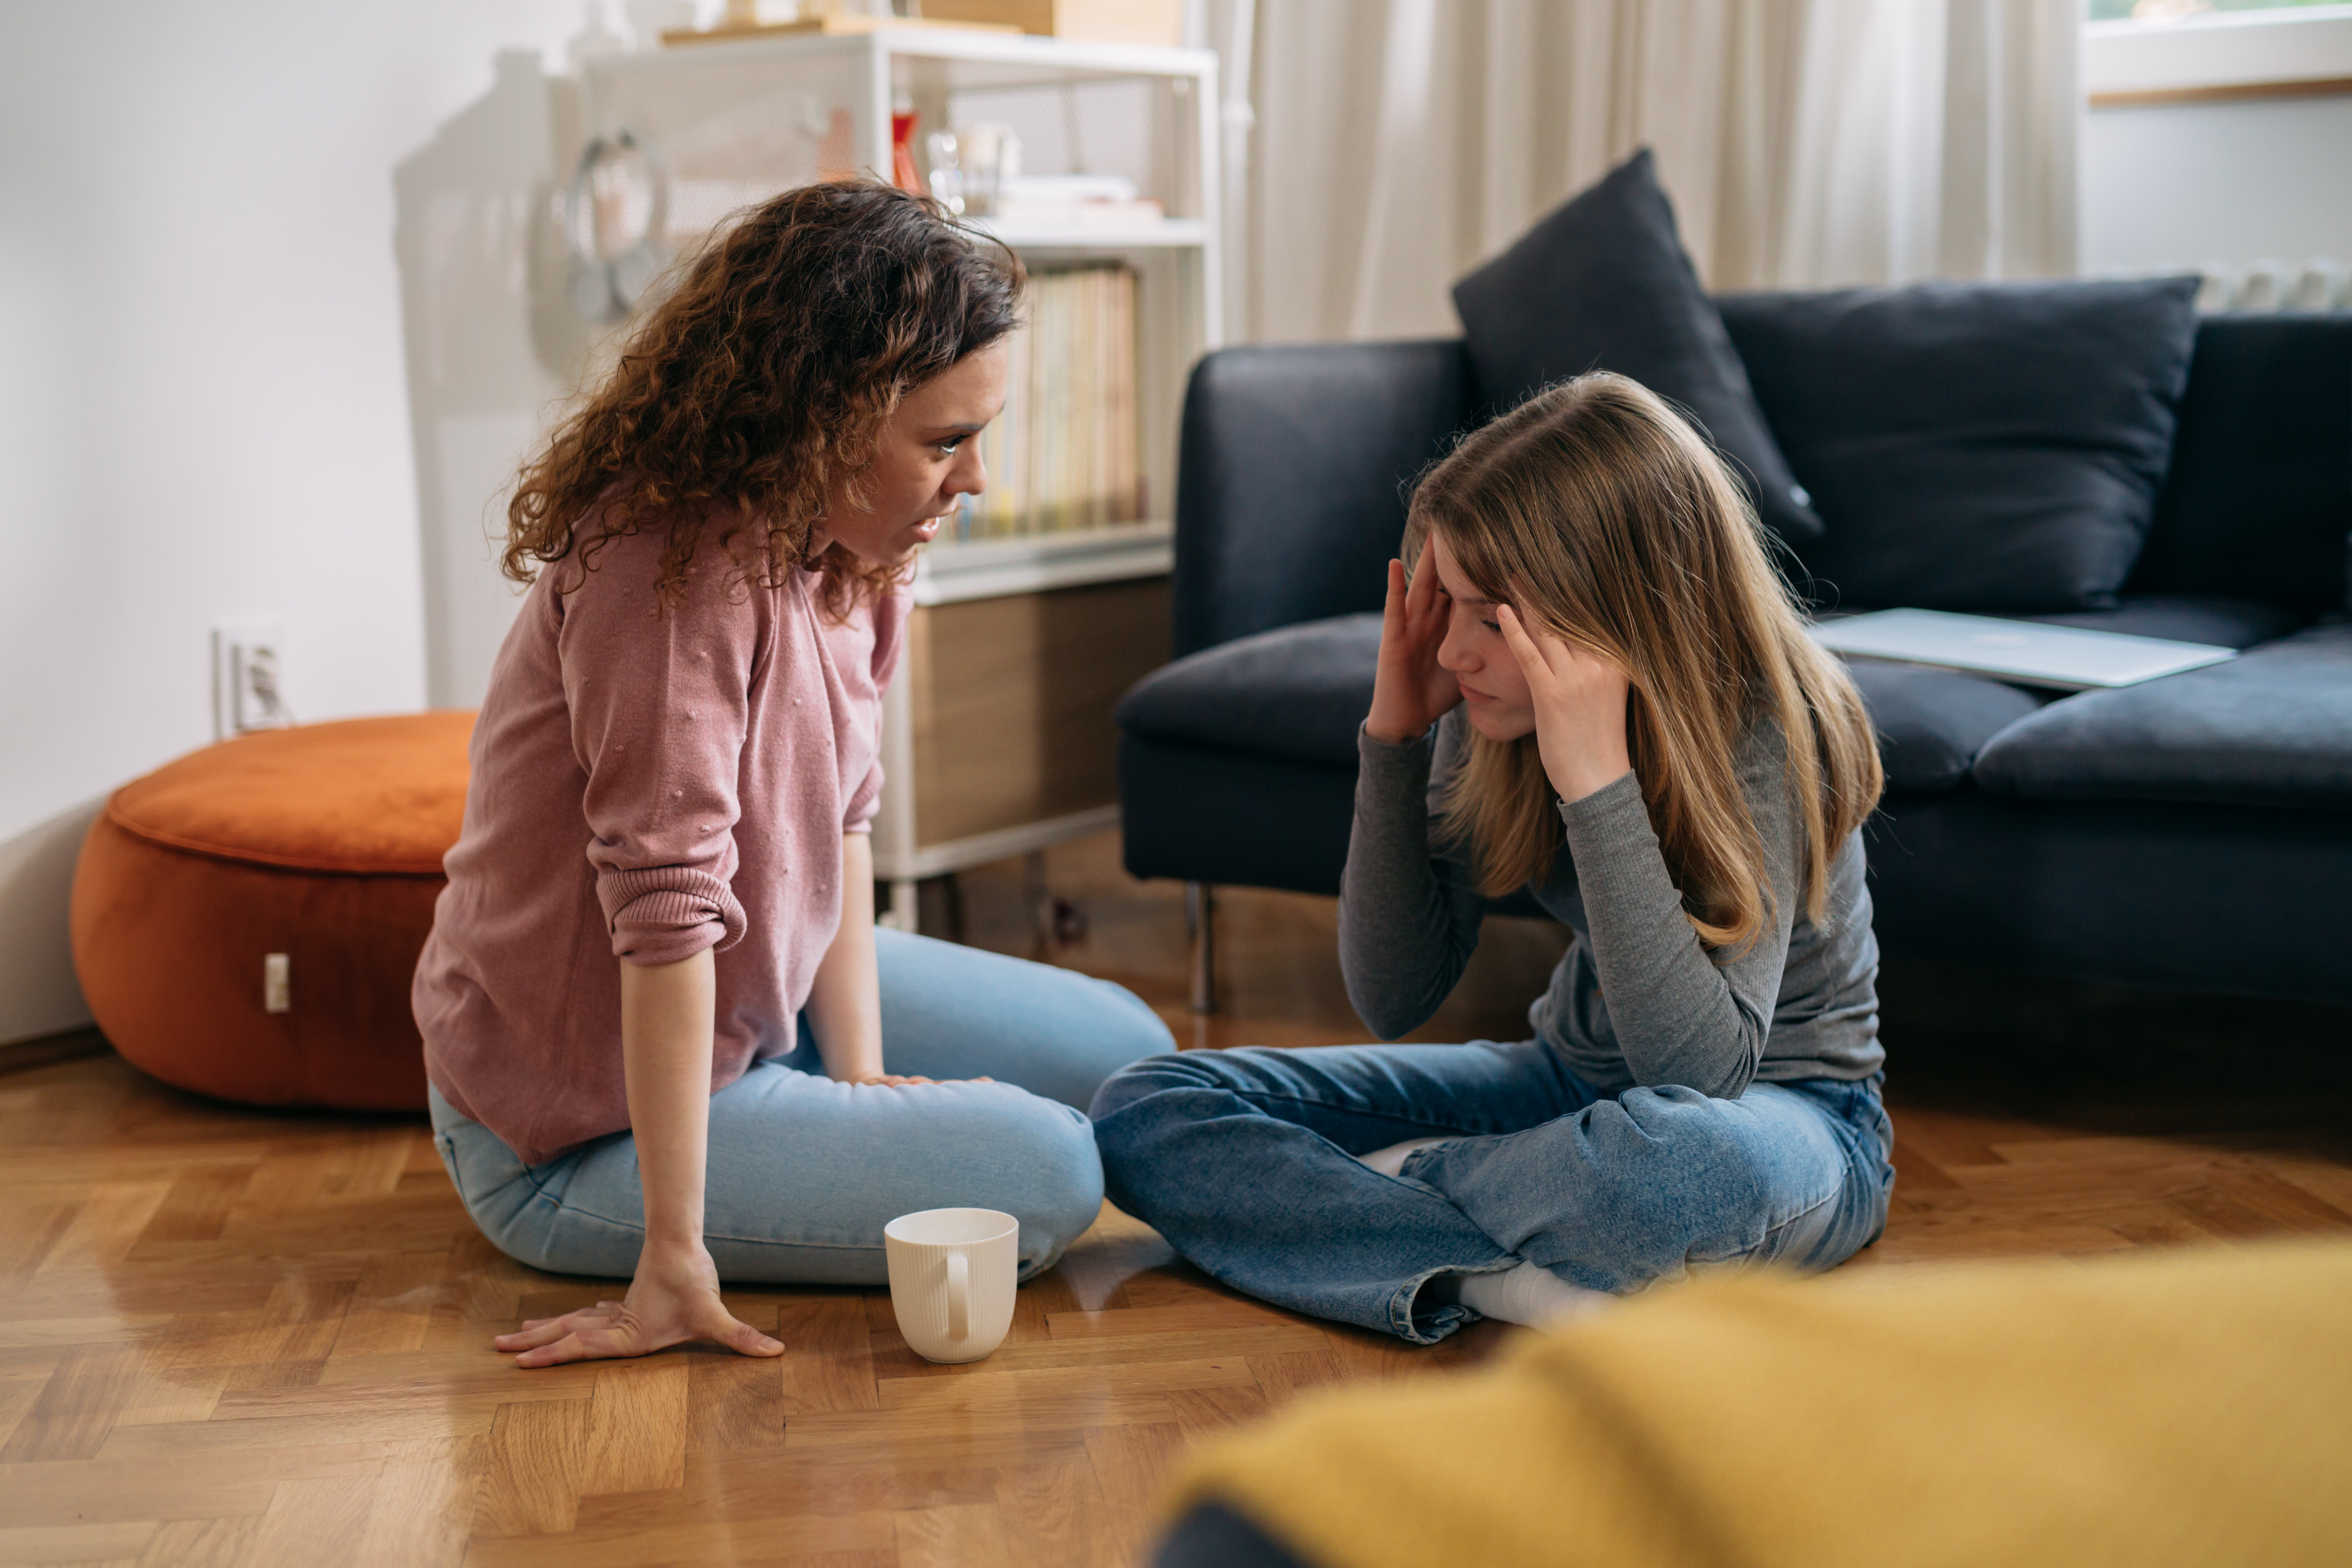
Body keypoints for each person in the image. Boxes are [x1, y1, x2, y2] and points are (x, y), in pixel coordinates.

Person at [414, 182, 1174, 1369]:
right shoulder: (667, 575)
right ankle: (674, 1215)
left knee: (1133, 1058)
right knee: (1052, 1170)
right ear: (819, 418)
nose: (975, 480)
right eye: (944, 443)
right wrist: (673, 1259)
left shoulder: (859, 550)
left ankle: (818, 1096)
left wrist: (861, 1082)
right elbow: (665, 921)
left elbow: (843, 826)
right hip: (573, 1132)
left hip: (758, 1017)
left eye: (980, 436)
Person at [1090, 372, 1895, 1344]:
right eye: (1452, 607)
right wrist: (1394, 738)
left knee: (1682, 1174)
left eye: (1491, 618)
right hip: (1565, 1095)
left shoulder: (1767, 722)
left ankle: (1400, 1207)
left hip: (1789, 1120)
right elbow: (1394, 996)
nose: (1454, 653)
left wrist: (1597, 783)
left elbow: (1701, 1077)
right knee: (1148, 1109)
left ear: (1610, 613)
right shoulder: (1490, 715)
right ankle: (1496, 1267)